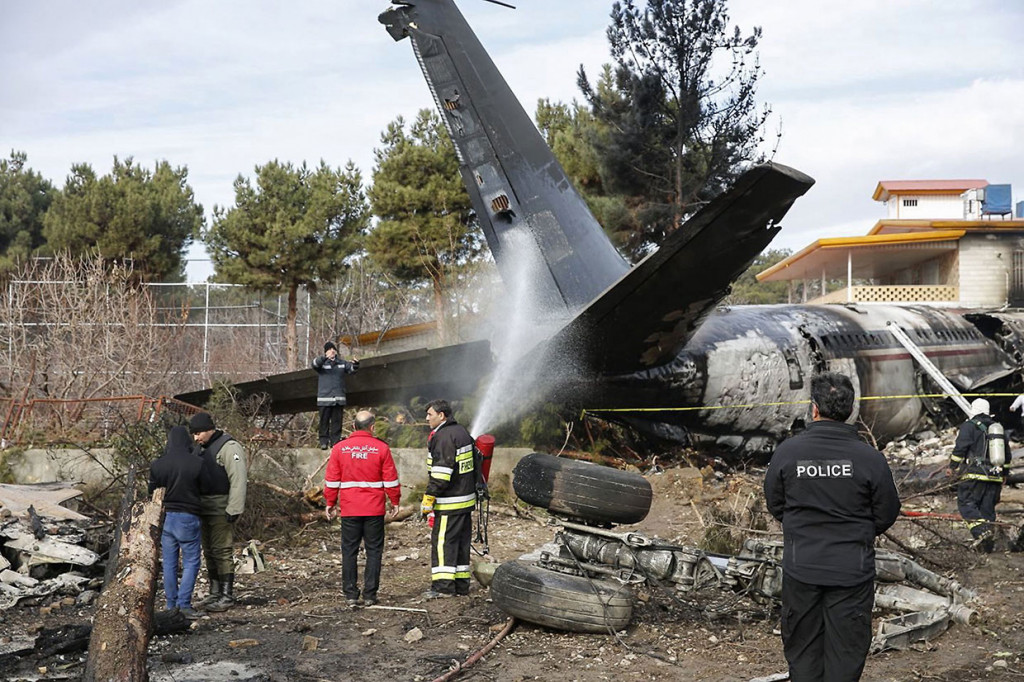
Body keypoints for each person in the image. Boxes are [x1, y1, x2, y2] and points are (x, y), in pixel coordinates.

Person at [764, 372, 901, 682]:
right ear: (851, 410)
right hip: (851, 570)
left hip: (803, 568)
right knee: (846, 653)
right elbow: (887, 512)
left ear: (814, 409)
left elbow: (775, 503)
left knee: (803, 651)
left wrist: (803, 529)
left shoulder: (788, 452)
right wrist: (857, 533)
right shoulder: (870, 459)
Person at [324, 410, 401, 607]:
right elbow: (391, 480)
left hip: (350, 509)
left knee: (349, 551)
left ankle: (350, 594)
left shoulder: (340, 448)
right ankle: (369, 595)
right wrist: (395, 501)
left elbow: (332, 481)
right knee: (374, 551)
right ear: (372, 427)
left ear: (353, 427)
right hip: (374, 510)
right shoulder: (381, 448)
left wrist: (330, 503)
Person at [190, 411, 247, 612]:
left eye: (198, 433)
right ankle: (214, 592)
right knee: (209, 551)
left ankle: (226, 595)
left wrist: (234, 508)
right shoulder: (200, 449)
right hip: (203, 507)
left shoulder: (229, 447)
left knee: (222, 551)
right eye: (193, 434)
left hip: (221, 506)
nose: (196, 438)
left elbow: (238, 480)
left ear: (209, 429)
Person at [421, 399, 476, 599]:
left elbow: (441, 474)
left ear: (441, 415)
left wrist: (429, 498)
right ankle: (461, 585)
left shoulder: (444, 437)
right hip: (465, 501)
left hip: (449, 501)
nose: (427, 418)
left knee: (443, 543)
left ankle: (443, 587)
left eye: (430, 414)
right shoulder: (462, 432)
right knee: (461, 543)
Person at [148, 425, 204, 619]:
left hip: (166, 519)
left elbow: (152, 493)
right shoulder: (197, 463)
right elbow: (206, 489)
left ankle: (171, 605)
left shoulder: (158, 465)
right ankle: (184, 604)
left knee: (169, 564)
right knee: (191, 562)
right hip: (189, 516)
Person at [949, 398, 1006, 552]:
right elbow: (1006, 455)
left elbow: (960, 447)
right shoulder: (998, 429)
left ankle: (982, 532)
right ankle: (987, 547)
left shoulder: (969, 426)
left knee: (966, 503)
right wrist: (1004, 474)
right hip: (995, 476)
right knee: (987, 509)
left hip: (974, 475)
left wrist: (953, 466)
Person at [312, 341, 359, 449]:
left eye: (333, 349)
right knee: (324, 421)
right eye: (329, 349)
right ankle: (323, 442)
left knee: (337, 422)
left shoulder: (341, 363)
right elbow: (314, 364)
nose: (332, 351)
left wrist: (356, 364)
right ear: (325, 352)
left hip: (338, 399)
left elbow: (351, 370)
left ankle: (335, 442)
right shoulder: (321, 364)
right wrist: (325, 358)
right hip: (324, 399)